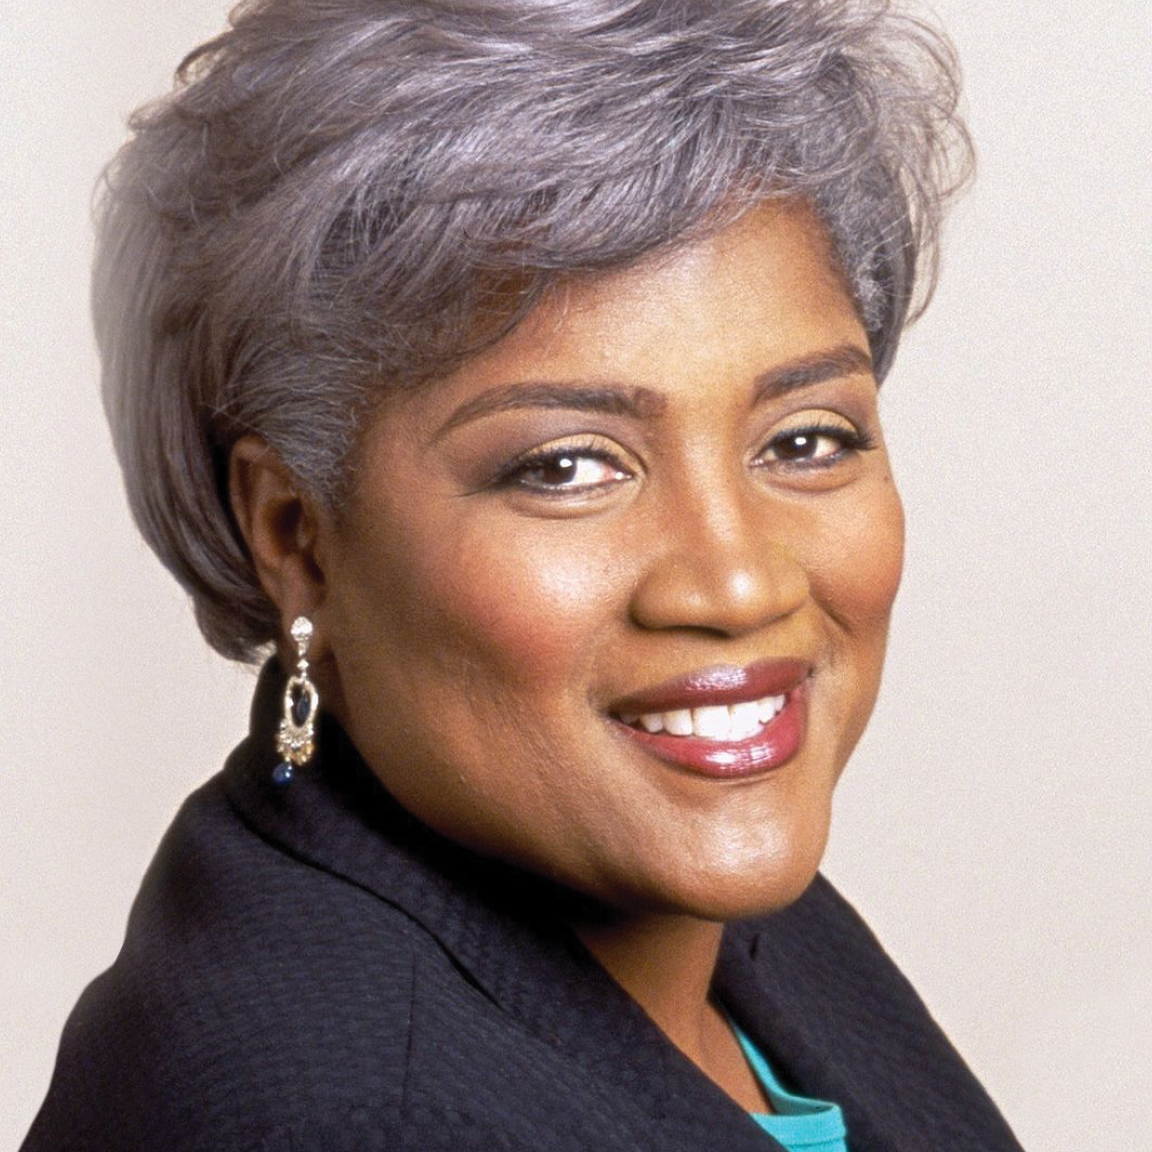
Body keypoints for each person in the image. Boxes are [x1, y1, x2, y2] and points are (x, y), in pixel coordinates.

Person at [23, 1, 1024, 1149]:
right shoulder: (375, 1121)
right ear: (297, 536)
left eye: (805, 439)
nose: (739, 584)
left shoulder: (681, 898)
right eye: (567, 466)